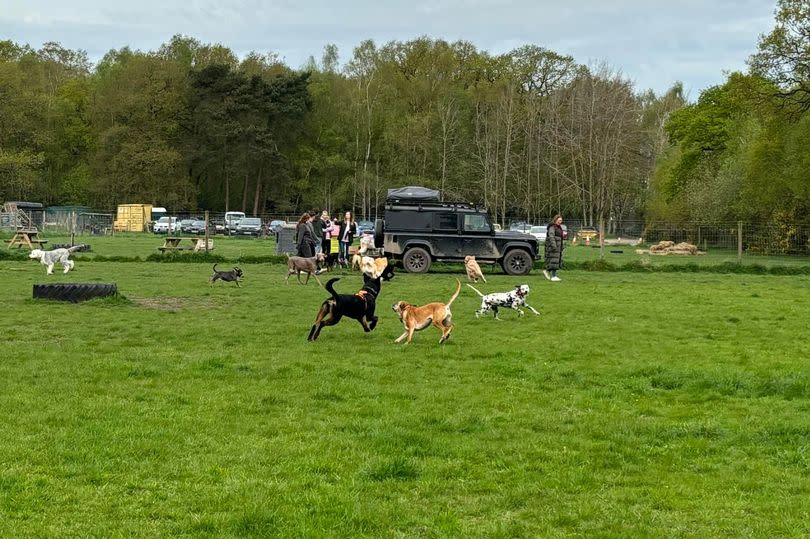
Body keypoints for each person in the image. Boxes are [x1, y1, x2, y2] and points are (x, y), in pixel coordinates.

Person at [543, 214, 565, 282]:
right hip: (553, 247)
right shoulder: (552, 227)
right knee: (553, 261)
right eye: (559, 220)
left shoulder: (558, 227)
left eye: (561, 220)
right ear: (555, 220)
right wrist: (554, 245)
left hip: (558, 247)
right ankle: (553, 276)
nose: (560, 222)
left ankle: (548, 272)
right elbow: (551, 236)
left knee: (554, 261)